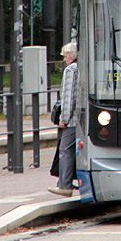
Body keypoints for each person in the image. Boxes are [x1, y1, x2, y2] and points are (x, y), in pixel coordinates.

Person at [49, 42, 78, 197]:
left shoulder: (70, 70)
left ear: (71, 55)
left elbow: (68, 98)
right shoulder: (83, 67)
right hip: (83, 118)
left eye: (65, 56)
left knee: (65, 150)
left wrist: (63, 119)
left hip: (72, 120)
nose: (65, 59)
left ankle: (65, 185)